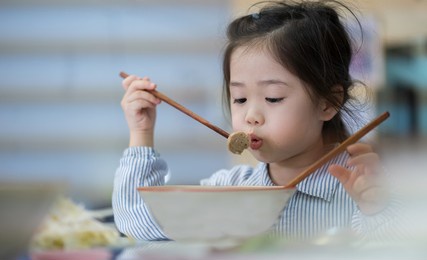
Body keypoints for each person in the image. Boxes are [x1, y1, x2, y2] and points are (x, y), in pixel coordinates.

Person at [113, 0, 401, 242]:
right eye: (239, 99)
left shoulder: (362, 192)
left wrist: (374, 208)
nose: (250, 115)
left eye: (273, 98)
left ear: (328, 102)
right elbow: (138, 223)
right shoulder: (232, 189)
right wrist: (142, 132)